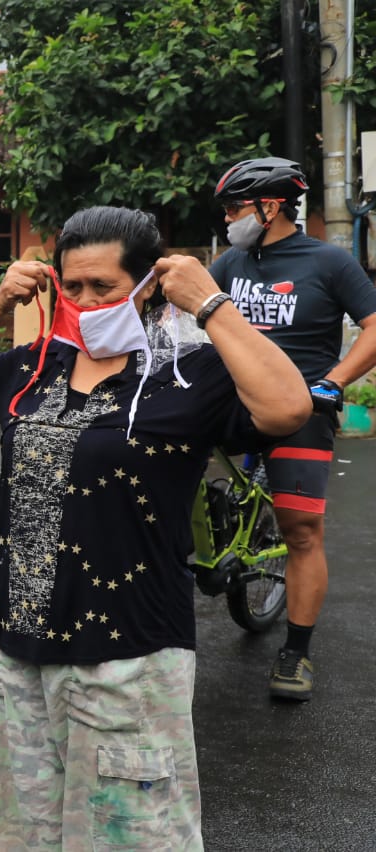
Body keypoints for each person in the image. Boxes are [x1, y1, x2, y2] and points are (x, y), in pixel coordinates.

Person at [0, 206, 311, 849]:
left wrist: (212, 305)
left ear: (147, 284)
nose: (83, 300)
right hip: (20, 649)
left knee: (131, 836)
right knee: (26, 833)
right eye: (71, 287)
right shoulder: (37, 366)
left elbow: (289, 406)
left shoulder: (186, 374)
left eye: (103, 287)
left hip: (127, 657)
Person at [210, 157, 376, 701]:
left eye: (235, 207)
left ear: (271, 206)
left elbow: (373, 326)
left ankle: (296, 653)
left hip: (301, 406)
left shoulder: (327, 261)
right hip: (230, 403)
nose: (229, 218)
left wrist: (335, 379)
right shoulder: (229, 262)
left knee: (300, 529)